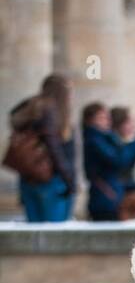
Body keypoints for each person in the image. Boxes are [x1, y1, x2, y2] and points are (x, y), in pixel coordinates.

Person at [6, 73, 77, 222]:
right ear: (61, 92)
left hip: (28, 179)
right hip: (52, 181)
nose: (72, 96)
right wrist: (69, 181)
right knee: (55, 236)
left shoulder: (31, 109)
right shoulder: (50, 111)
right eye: (69, 92)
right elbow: (54, 149)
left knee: (35, 234)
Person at [82, 103, 135, 221]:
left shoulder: (106, 140)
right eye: (101, 118)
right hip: (108, 201)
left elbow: (118, 178)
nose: (106, 122)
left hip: (116, 199)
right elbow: (119, 162)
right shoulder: (95, 140)